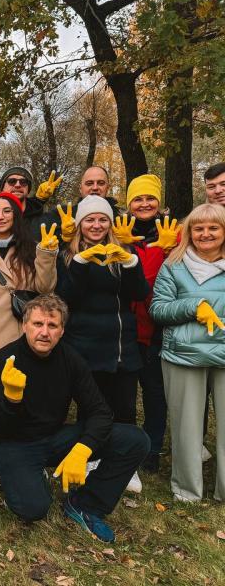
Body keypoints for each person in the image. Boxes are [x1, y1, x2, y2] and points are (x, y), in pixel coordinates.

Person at [0, 294, 150, 542]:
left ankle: (86, 505)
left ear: (62, 331)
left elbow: (100, 412)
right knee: (34, 509)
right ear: (24, 325)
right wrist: (12, 399)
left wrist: (82, 450)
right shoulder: (5, 359)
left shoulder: (70, 359)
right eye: (38, 324)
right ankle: (26, 481)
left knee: (135, 440)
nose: (44, 332)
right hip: (12, 444)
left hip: (53, 437)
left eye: (52, 325)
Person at [0, 191, 58, 488]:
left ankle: (28, 456)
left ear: (16, 216)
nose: (0, 216)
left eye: (7, 211)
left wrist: (47, 254)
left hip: (21, 337)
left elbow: (45, 288)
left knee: (26, 400)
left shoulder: (29, 249)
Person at [56, 194, 150, 493]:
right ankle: (90, 456)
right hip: (84, 344)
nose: (96, 225)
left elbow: (139, 293)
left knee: (124, 407)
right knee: (91, 408)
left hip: (121, 345)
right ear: (80, 224)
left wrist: (131, 262)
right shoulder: (68, 255)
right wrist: (81, 263)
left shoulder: (122, 252)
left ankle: (125, 464)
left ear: (110, 223)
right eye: (89, 220)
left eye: (102, 220)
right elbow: (65, 297)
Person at [150, 203, 225, 502]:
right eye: (198, 228)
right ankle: (187, 490)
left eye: (213, 227)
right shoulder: (174, 264)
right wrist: (194, 307)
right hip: (183, 354)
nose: (205, 234)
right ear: (189, 233)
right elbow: (158, 309)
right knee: (186, 427)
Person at [113, 175, 180, 472]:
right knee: (124, 393)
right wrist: (125, 246)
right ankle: (125, 444)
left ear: (159, 202)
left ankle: (152, 448)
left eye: (150, 198)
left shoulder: (173, 234)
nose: (144, 204)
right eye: (137, 199)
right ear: (129, 204)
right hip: (126, 326)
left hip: (158, 326)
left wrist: (168, 250)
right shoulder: (118, 232)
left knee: (154, 392)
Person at [0, 167, 61, 239]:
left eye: (23, 182)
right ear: (2, 188)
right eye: (11, 181)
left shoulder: (41, 220)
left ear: (28, 189)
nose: (18, 185)